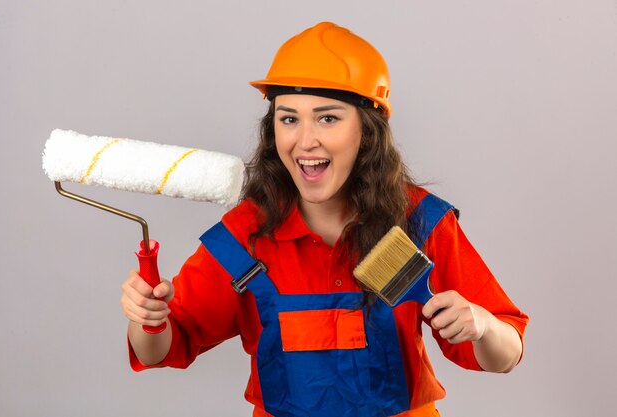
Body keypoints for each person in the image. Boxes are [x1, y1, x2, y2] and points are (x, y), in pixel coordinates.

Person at [120, 22, 528, 417]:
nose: (305, 139)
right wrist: (149, 320)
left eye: (328, 117)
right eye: (288, 118)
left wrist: (485, 326)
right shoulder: (244, 235)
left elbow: (503, 356)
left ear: (368, 130)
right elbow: (159, 350)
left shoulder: (419, 222)